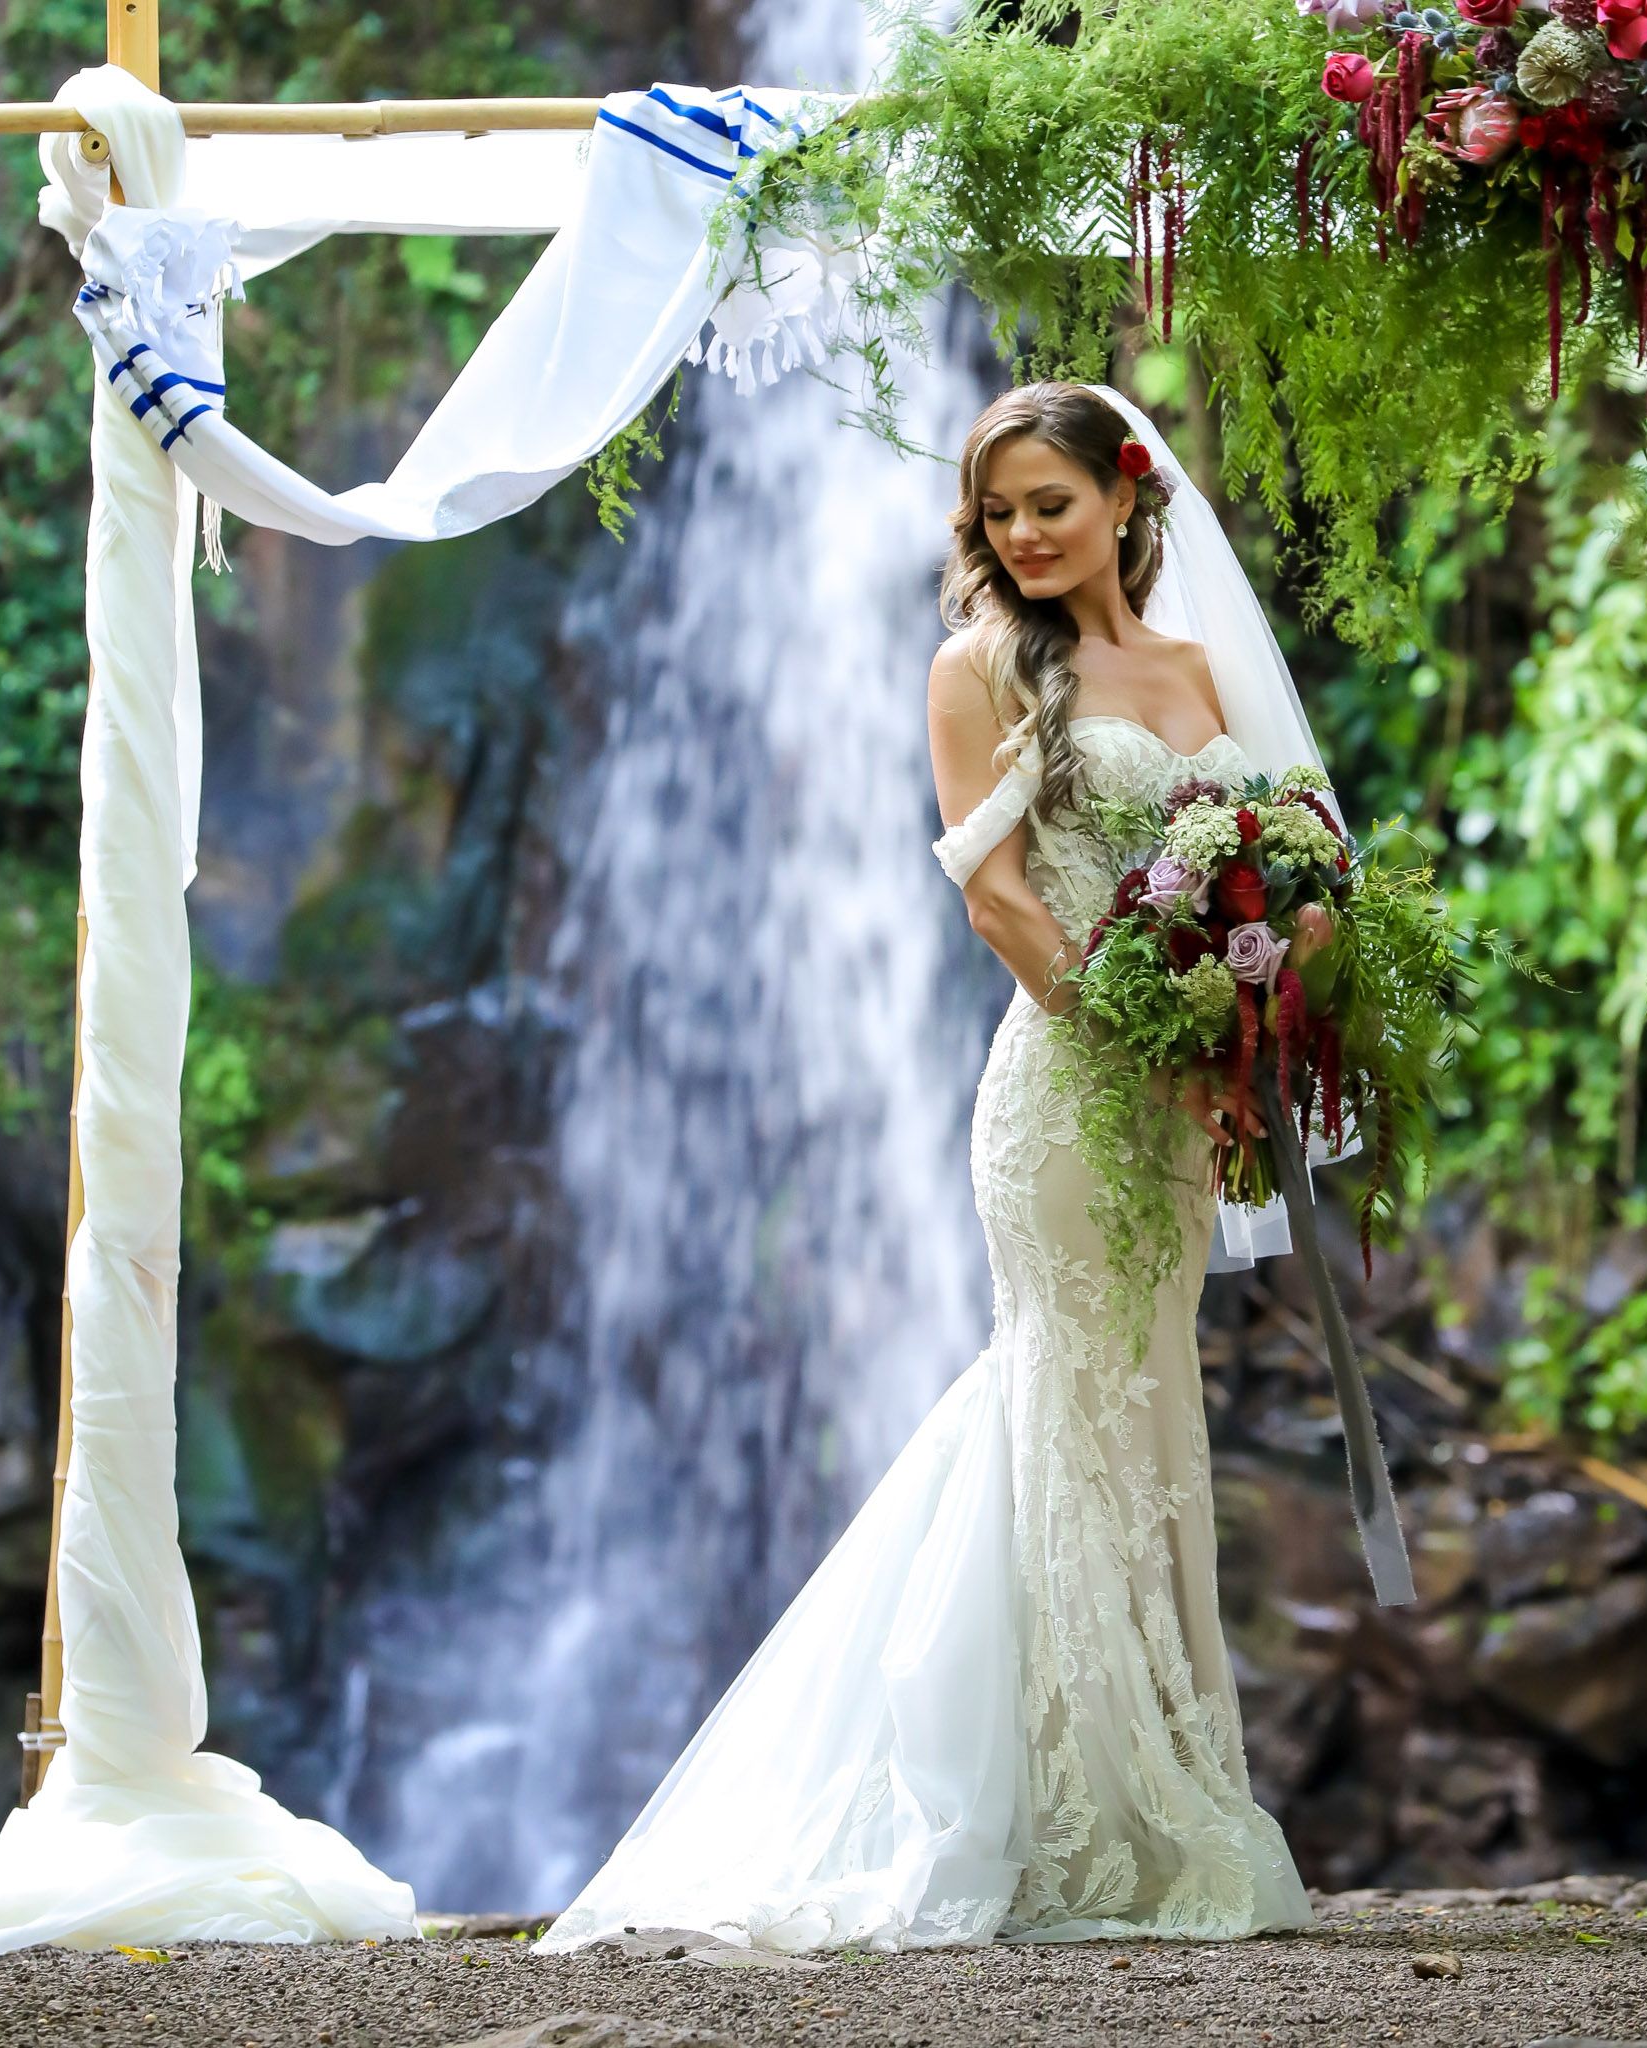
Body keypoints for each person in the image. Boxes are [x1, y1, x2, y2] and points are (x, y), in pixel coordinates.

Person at [536, 381, 1332, 1959]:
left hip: (1179, 1104)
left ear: (1126, 495)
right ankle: (1043, 1811)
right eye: (999, 516)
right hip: (1062, 1086)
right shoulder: (977, 670)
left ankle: (1141, 1786)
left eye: (1052, 504)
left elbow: (1296, 860)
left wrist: (1256, 1034)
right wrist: (1152, 1040)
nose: (1024, 537)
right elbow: (1005, 905)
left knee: (1145, 1410)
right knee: (1063, 1396)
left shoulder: (1191, 666)